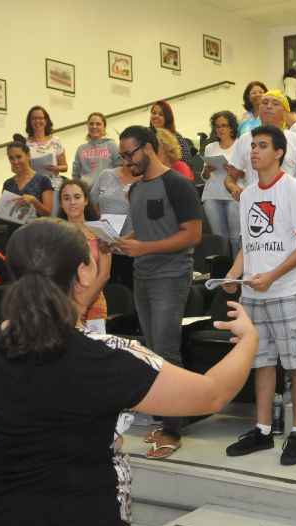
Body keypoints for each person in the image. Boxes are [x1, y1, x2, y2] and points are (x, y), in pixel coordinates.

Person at [0, 217, 258, 526]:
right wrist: (249, 340)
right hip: (79, 514)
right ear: (83, 272)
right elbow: (213, 393)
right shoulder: (106, 357)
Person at [222, 125, 296, 466]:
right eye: (252, 146)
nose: (254, 151)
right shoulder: (246, 194)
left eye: (262, 146)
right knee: (261, 363)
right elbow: (249, 246)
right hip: (254, 295)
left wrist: (272, 276)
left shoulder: (294, 190)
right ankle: (262, 430)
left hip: (288, 290)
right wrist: (233, 277)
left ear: (279, 153)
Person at [115, 126, 203, 459]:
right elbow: (147, 230)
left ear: (149, 149)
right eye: (122, 155)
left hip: (171, 276)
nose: (126, 161)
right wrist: (125, 243)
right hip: (143, 275)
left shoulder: (176, 184)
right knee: (152, 352)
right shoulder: (135, 189)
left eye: (130, 154)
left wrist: (145, 247)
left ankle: (173, 428)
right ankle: (167, 417)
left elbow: (193, 235)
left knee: (167, 351)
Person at [225, 90, 296, 195]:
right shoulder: (245, 139)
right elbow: (230, 178)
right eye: (264, 103)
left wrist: (294, 199)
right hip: (255, 205)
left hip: (287, 204)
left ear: (285, 112)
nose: (268, 106)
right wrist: (234, 189)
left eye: (275, 104)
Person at [57, 179, 107, 333]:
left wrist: (83, 305)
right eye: (66, 198)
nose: (72, 202)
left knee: (95, 352)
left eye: (77, 197)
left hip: (94, 302)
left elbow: (104, 274)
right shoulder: (53, 232)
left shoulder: (101, 230)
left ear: (86, 200)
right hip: (63, 303)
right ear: (61, 203)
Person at [90, 162, 140, 290]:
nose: (127, 159)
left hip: (133, 250)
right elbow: (93, 202)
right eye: (124, 155)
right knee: (107, 291)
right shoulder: (106, 175)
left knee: (132, 292)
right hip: (106, 247)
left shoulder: (145, 179)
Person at [201, 110, 240, 256]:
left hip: (232, 195)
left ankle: (238, 273)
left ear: (231, 127)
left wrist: (233, 170)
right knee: (219, 238)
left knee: (235, 238)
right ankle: (224, 272)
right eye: (217, 126)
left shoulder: (239, 145)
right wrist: (207, 169)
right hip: (212, 194)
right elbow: (205, 176)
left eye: (224, 125)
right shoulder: (210, 147)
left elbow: (245, 172)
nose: (221, 129)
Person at [26, 105, 67, 214]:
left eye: (41, 118)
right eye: (34, 118)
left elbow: (65, 166)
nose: (37, 121)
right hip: (34, 185)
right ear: (29, 121)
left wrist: (56, 168)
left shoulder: (55, 141)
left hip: (53, 184)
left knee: (52, 218)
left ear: (46, 120)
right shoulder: (25, 143)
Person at [2, 135, 54, 218]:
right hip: (13, 229)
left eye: (19, 157)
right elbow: (3, 213)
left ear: (28, 155)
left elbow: (48, 213)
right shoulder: (8, 184)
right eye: (11, 158)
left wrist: (34, 201)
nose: (15, 161)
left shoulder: (43, 180)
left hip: (36, 228)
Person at [72, 112, 121, 183]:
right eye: (91, 124)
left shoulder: (111, 145)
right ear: (87, 126)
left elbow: (119, 168)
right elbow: (75, 175)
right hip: (87, 191)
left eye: (98, 124)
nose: (94, 126)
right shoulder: (81, 149)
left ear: (104, 127)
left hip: (107, 189)